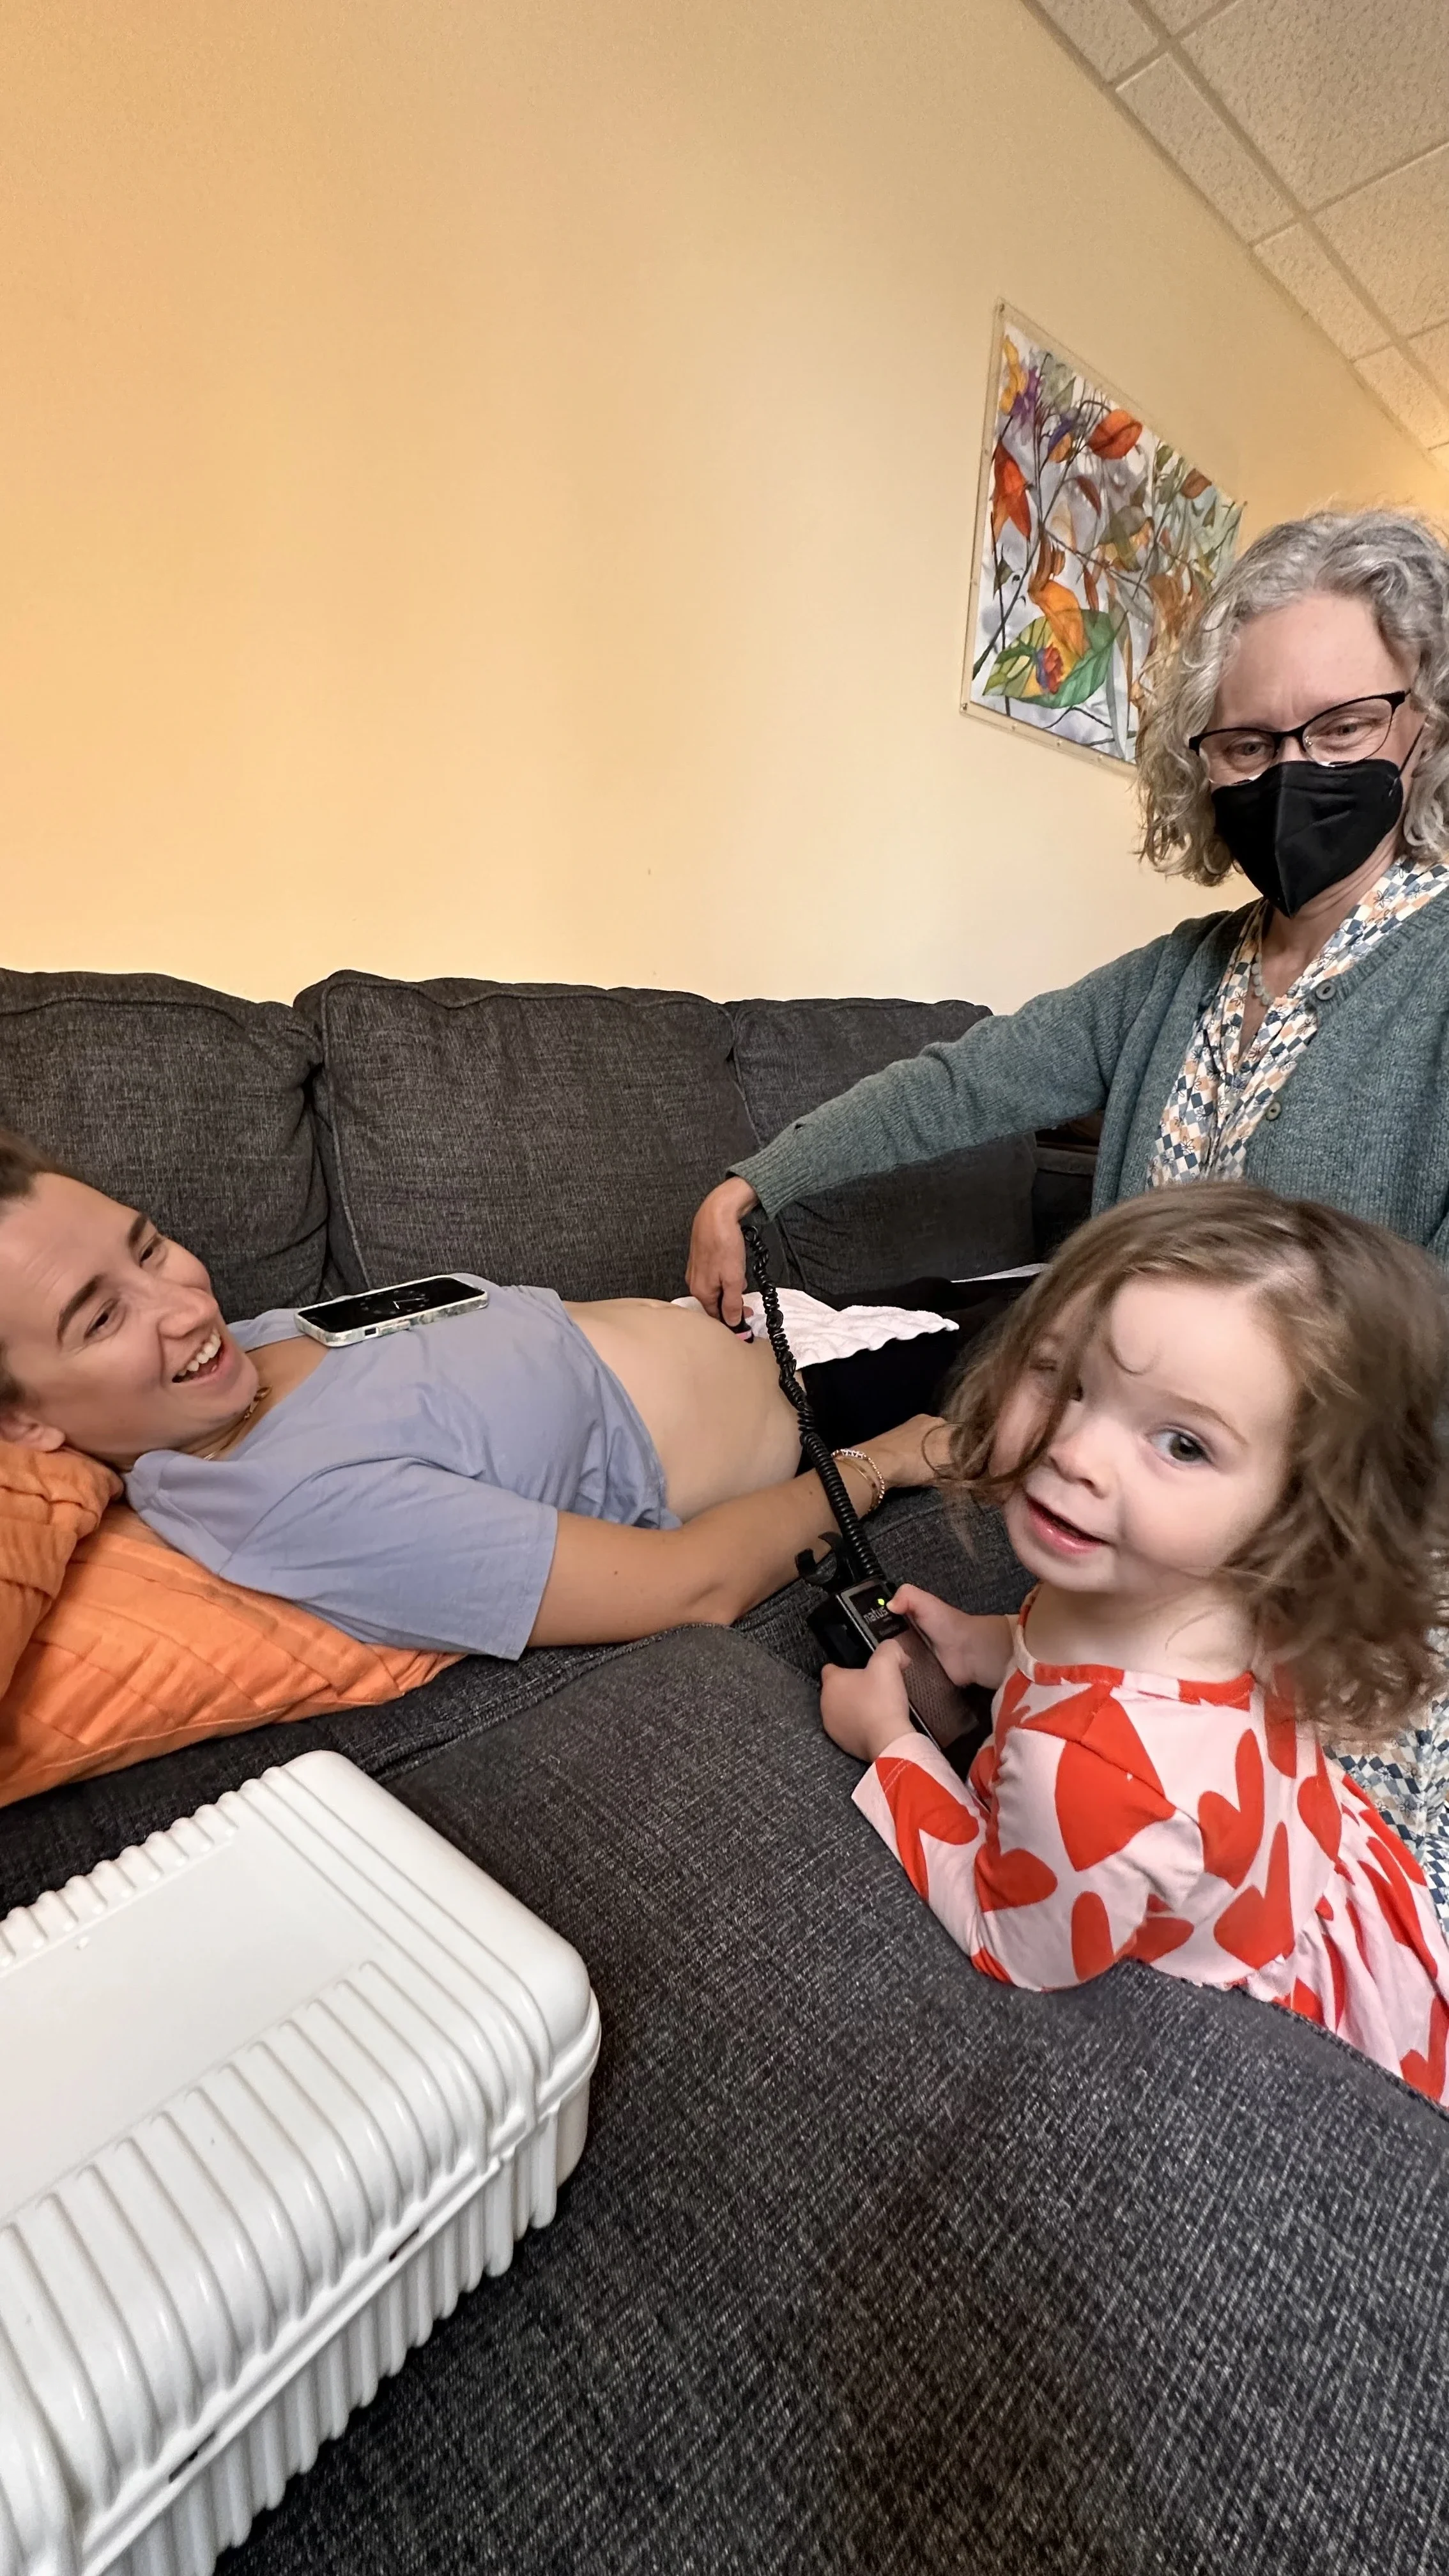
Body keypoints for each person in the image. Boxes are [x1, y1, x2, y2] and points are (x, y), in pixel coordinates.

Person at [687, 507, 1449, 1322]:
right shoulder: (1172, 977)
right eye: (1248, 746)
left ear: (1428, 730)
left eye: (1344, 728)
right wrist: (756, 1183)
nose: (1292, 770)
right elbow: (965, 1085)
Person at [818, 1186, 1449, 2101]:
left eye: (1184, 1444)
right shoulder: (1190, 1579)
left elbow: (1010, 1939)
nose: (1076, 1453)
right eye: (1065, 1379)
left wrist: (890, 1741)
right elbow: (1067, 1644)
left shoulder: (1085, 1774)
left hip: (1277, 2011)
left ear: (1297, 1511)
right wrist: (986, 1646)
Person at [0, 1133, 947, 1657]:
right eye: (101, 1318)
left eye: (150, 1247)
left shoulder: (239, 1353)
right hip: (828, 1405)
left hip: (772, 1320)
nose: (184, 1304)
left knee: (1003, 1286)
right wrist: (885, 1462)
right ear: (21, 1419)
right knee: (1030, 1337)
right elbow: (695, 1584)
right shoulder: (288, 1503)